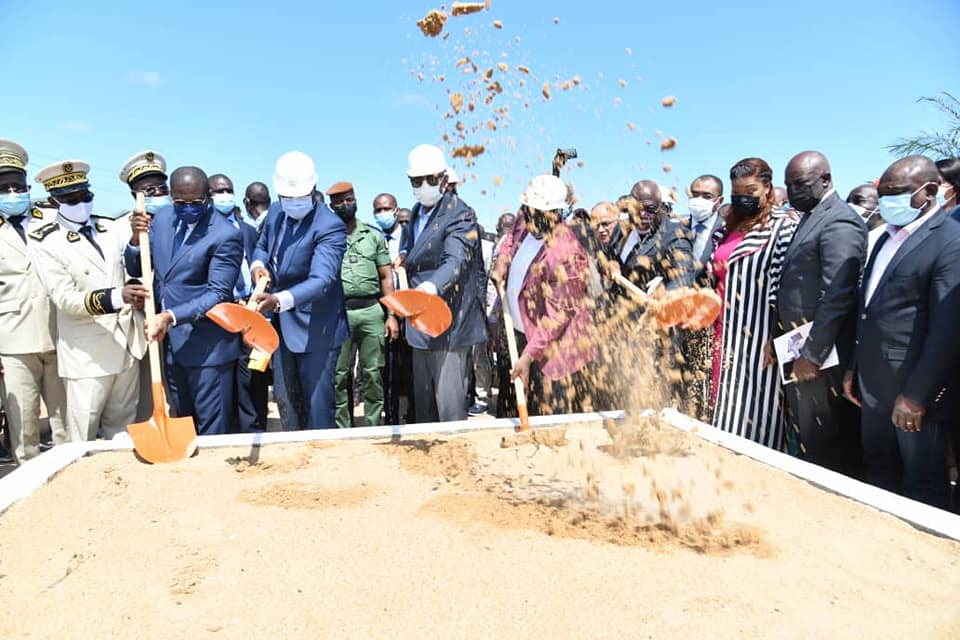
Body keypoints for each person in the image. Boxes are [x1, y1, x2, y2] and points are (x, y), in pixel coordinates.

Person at [842, 155, 960, 508]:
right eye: (885, 194)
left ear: (930, 191)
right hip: (872, 386)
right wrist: (854, 367)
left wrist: (917, 395)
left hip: (912, 396)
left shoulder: (950, 240)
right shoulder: (884, 238)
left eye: (897, 193)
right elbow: (868, 310)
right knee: (878, 477)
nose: (887, 203)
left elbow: (947, 329)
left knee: (922, 489)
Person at [30, 161, 147, 442]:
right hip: (87, 354)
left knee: (122, 432)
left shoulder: (108, 227)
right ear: (54, 201)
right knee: (82, 436)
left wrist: (133, 238)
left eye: (86, 196)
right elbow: (65, 298)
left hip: (125, 344)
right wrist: (118, 297)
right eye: (71, 199)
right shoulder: (45, 241)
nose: (81, 204)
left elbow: (131, 265)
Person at [125, 166, 243, 436]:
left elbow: (218, 292)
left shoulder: (225, 235)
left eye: (195, 202)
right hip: (170, 345)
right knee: (183, 421)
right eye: (181, 201)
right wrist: (135, 239)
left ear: (208, 198)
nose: (187, 207)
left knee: (211, 430)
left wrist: (170, 316)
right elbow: (137, 267)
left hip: (208, 348)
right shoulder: (163, 219)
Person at [777, 151, 866, 474]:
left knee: (827, 443)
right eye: (788, 185)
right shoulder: (811, 216)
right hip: (798, 346)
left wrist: (812, 354)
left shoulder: (839, 220)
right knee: (810, 438)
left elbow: (838, 294)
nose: (792, 192)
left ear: (825, 179)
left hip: (823, 358)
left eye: (799, 183)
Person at [249, 151, 348, 429]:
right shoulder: (276, 213)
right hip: (281, 329)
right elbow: (262, 246)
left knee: (317, 408)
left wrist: (278, 300)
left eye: (299, 198)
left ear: (314, 189)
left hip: (317, 328)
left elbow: (322, 280)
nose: (292, 204)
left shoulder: (329, 227)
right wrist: (258, 266)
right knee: (287, 402)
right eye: (286, 197)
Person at [711, 157, 798, 449]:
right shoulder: (730, 226)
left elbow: (783, 288)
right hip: (722, 332)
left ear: (767, 188)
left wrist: (777, 336)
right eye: (738, 193)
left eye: (750, 191)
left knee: (753, 412)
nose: (743, 198)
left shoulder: (781, 227)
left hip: (758, 336)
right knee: (721, 408)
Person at [396, 143, 486, 423]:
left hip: (449, 322)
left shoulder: (460, 213)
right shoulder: (415, 214)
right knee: (424, 405)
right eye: (417, 181)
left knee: (448, 406)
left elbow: (455, 260)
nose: (424, 186)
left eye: (431, 180)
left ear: (444, 180)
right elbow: (416, 251)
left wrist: (431, 287)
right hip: (420, 322)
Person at [492, 175, 596, 415]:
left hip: (553, 353)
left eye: (539, 215)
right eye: (529, 212)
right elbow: (510, 240)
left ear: (556, 214)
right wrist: (502, 263)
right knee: (509, 412)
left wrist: (529, 356)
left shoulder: (569, 253)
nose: (531, 219)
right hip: (517, 334)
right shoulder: (524, 220)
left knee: (546, 418)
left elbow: (558, 316)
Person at [0, 140, 66, 462]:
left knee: (65, 424)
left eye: (18, 186)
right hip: (12, 342)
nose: (13, 193)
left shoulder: (53, 220)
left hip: (60, 334)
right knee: (24, 426)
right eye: (4, 187)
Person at [327, 181, 398, 428]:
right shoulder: (327, 236)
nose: (345, 204)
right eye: (339, 201)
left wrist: (391, 314)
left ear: (356, 200)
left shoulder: (373, 236)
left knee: (373, 373)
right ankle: (342, 428)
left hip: (371, 312)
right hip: (339, 314)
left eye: (349, 199)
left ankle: (371, 426)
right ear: (331, 205)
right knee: (339, 375)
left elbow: (386, 276)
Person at [209, 173, 267, 433]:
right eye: (217, 191)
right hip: (220, 313)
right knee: (222, 376)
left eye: (227, 190)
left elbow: (259, 262)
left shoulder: (248, 231)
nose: (224, 195)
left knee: (252, 375)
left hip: (249, 309)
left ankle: (253, 430)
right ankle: (227, 430)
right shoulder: (205, 232)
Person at [119, 150, 171, 423]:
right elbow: (133, 269)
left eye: (162, 187)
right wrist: (137, 238)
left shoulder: (179, 218)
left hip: (177, 318)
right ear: (135, 195)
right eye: (149, 189)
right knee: (145, 397)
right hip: (145, 323)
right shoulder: (121, 227)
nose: (158, 193)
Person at [680, 175, 726, 421]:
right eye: (695, 194)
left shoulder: (726, 231)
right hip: (678, 323)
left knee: (704, 388)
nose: (698, 200)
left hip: (710, 326)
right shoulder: (677, 229)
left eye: (706, 197)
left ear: (718, 201)